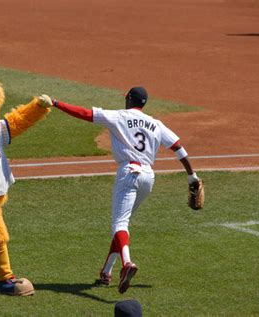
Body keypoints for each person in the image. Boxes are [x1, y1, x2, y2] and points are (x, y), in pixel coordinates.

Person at [52, 87, 200, 294]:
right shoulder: (155, 124)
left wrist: (56, 103)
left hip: (129, 173)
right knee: (123, 224)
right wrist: (191, 175)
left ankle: (127, 263)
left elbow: (85, 114)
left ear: (129, 99)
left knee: (119, 224)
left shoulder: (119, 116)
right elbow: (178, 147)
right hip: (148, 177)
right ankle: (106, 271)